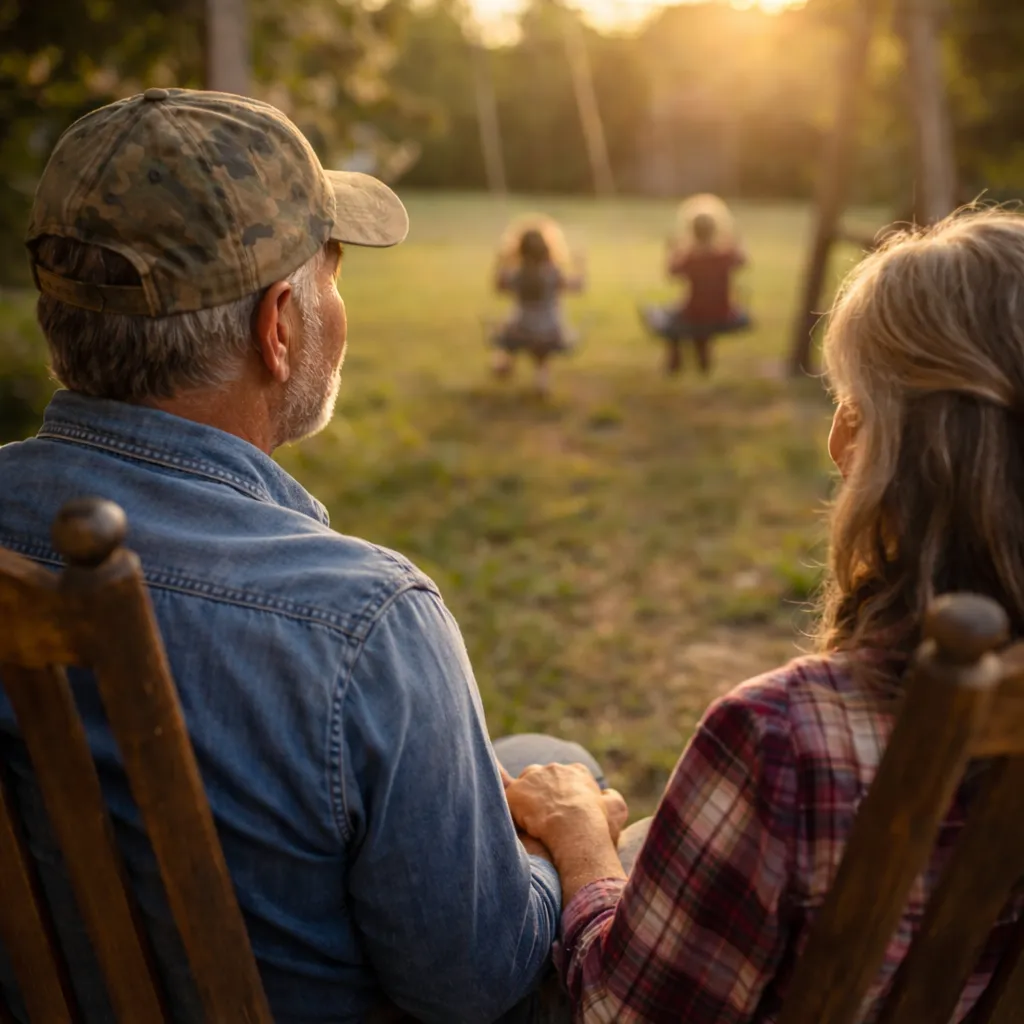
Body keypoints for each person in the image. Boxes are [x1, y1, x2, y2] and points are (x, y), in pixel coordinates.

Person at [0, 88, 623, 1024]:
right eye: (333, 272)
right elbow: (474, 986)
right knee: (562, 773)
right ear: (279, 326)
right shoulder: (364, 622)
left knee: (530, 758)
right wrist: (578, 852)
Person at [506, 208, 1024, 1022]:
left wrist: (582, 849)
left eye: (853, 405)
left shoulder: (780, 741)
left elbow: (619, 1010)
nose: (834, 440)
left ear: (882, 453)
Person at [640, 193, 750, 376]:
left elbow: (671, 273)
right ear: (715, 229)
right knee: (697, 323)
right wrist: (735, 241)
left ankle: (674, 361)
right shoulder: (725, 255)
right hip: (723, 311)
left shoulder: (690, 258)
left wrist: (672, 251)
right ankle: (703, 362)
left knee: (667, 319)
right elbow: (743, 261)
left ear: (691, 231)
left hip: (693, 312)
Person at [490, 216, 585, 395]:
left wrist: (500, 262)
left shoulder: (517, 274)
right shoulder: (553, 274)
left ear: (519, 249)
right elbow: (578, 287)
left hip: (521, 329)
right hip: (549, 331)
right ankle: (542, 379)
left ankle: (504, 361)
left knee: (508, 331)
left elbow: (498, 286)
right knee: (542, 347)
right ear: (548, 248)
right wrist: (581, 266)